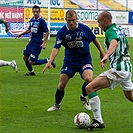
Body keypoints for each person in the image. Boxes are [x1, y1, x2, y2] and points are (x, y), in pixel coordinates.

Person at [42, 10, 105, 111]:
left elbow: (94, 39)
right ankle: (57, 105)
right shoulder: (62, 32)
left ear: (77, 19)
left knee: (89, 79)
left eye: (73, 20)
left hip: (84, 60)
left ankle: (83, 97)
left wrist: (101, 52)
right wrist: (50, 61)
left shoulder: (84, 28)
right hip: (70, 61)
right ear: (65, 19)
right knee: (62, 84)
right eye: (69, 20)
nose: (71, 22)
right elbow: (56, 48)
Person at [86, 11, 133, 130]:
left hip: (118, 70)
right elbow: (127, 45)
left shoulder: (110, 31)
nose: (98, 25)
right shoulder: (119, 29)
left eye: (99, 22)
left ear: (105, 21)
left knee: (90, 88)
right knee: (130, 97)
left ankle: (98, 121)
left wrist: (107, 55)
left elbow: (114, 43)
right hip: (127, 68)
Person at [15, 5, 56, 76]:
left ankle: (49, 60)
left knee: (32, 62)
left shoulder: (42, 21)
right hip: (31, 42)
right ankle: (31, 72)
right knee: (25, 58)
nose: (35, 13)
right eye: (34, 12)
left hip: (37, 44)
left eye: (37, 12)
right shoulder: (32, 20)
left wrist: (44, 42)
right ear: (32, 12)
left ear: (39, 12)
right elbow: (29, 30)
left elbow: (47, 32)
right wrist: (21, 34)